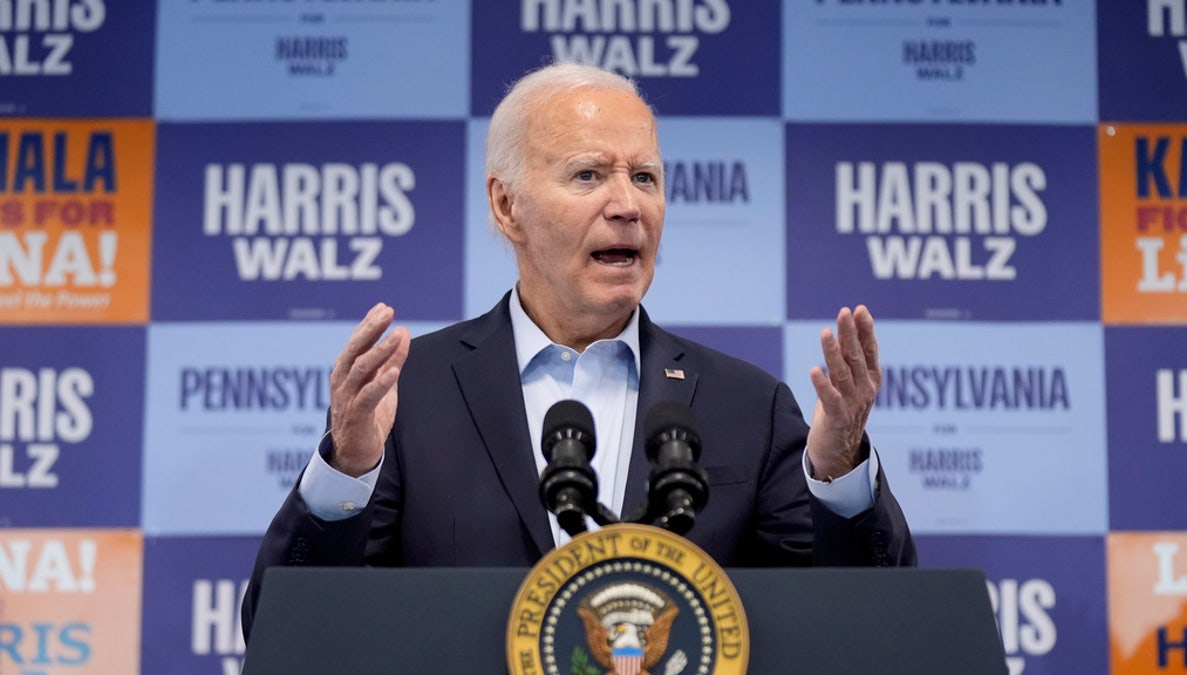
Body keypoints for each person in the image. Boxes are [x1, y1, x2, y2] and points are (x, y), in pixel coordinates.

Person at [242, 61, 916, 637]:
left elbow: (865, 630)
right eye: (589, 174)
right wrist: (348, 471)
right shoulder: (411, 393)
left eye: (645, 178)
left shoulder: (750, 405)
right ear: (507, 207)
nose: (627, 204)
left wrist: (839, 478)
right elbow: (285, 631)